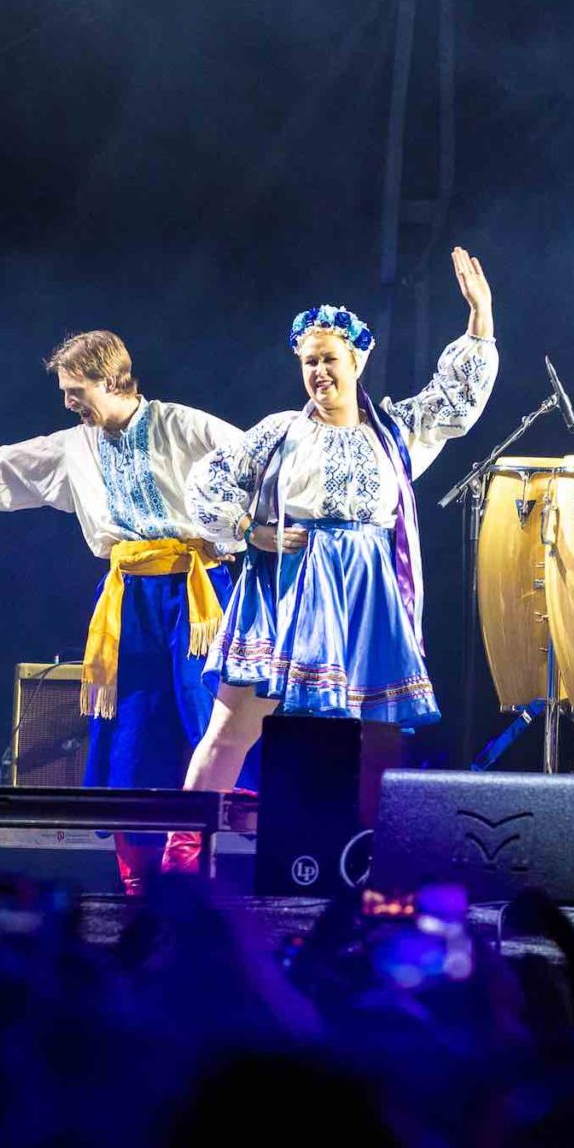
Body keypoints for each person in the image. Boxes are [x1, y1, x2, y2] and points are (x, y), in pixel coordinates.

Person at [0, 333, 246, 893]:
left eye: (75, 390)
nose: (67, 403)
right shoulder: (74, 448)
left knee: (214, 720)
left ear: (111, 380)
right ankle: (138, 884)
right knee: (129, 732)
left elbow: (259, 461)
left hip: (201, 593)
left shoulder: (183, 425)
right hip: (129, 601)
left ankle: (217, 870)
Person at [181, 247, 499, 808]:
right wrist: (247, 528)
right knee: (231, 729)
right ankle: (184, 850)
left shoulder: (395, 433)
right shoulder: (279, 432)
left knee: (376, 735)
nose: (319, 372)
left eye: (329, 359)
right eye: (309, 362)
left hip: (366, 589)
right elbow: (206, 485)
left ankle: (365, 856)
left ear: (357, 360)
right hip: (290, 586)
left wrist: (480, 317)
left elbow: (455, 402)